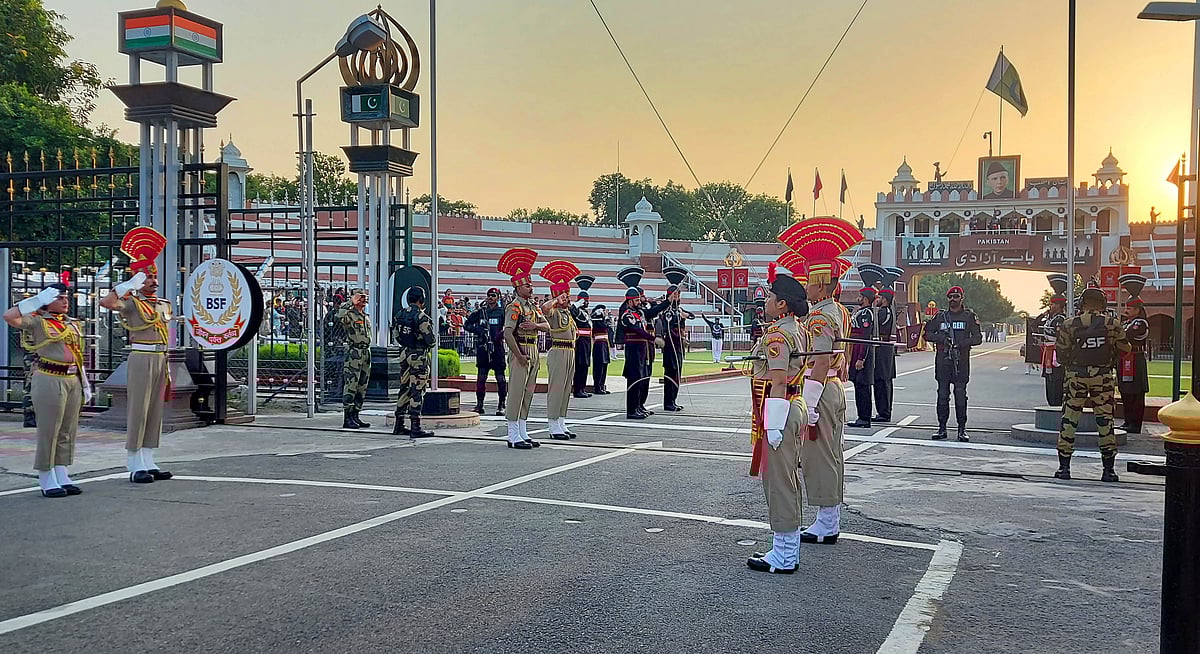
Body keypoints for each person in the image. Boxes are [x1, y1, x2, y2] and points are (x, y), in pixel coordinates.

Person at [778, 217, 861, 545]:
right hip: (831, 386)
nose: (806, 287)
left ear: (822, 284)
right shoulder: (837, 310)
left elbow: (821, 360)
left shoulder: (820, 316)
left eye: (810, 281)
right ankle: (829, 518)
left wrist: (809, 403)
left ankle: (827, 522)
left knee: (820, 455)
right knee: (830, 452)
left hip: (820, 387)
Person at [745, 262, 811, 574]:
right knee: (787, 480)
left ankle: (784, 555)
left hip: (780, 407)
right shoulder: (799, 330)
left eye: (771, 297)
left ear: (782, 304)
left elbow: (779, 379)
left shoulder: (777, 337)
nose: (767, 301)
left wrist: (771, 424)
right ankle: (788, 549)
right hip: (791, 404)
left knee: (779, 483)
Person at [100, 226, 174, 484]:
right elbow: (107, 303)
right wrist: (128, 286)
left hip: (161, 358)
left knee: (154, 410)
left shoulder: (163, 303)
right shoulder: (131, 302)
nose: (153, 281)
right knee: (138, 410)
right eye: (147, 277)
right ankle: (134, 463)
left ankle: (149, 459)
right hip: (141, 357)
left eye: (154, 277)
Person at [5, 279, 87, 497]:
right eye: (59, 298)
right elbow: (9, 317)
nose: (64, 301)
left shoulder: (72, 323)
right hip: (50, 376)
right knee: (49, 429)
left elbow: (77, 353)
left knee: (67, 430)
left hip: (72, 377)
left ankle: (62, 472)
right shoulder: (38, 321)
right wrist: (35, 301)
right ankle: (45, 476)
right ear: (47, 301)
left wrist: (84, 382)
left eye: (66, 297)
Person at [1054, 288, 1130, 482]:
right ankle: (1108, 470)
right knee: (1105, 421)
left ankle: (1064, 468)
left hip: (1076, 376)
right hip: (1103, 377)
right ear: (1103, 304)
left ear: (1082, 303)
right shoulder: (1113, 324)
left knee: (1070, 419)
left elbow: (1061, 352)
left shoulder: (1069, 324)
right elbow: (1125, 348)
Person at [499, 248, 550, 449]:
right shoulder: (515, 307)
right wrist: (519, 355)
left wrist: (535, 326)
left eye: (531, 284)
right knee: (517, 392)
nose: (531, 288)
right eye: (528, 285)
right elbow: (507, 333)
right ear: (518, 287)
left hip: (533, 350)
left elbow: (547, 326)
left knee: (528, 392)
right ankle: (512, 434)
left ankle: (522, 430)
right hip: (521, 350)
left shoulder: (532, 306)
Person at [923, 286, 983, 442]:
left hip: (961, 360)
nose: (953, 299)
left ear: (961, 298)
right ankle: (942, 428)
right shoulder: (941, 316)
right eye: (950, 297)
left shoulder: (969, 317)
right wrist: (942, 339)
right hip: (943, 360)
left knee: (960, 395)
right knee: (942, 395)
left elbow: (978, 338)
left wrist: (961, 343)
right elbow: (927, 334)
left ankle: (961, 429)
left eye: (956, 297)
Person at [541, 260, 581, 439]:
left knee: (566, 389)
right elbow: (544, 308)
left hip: (570, 352)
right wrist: (556, 300)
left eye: (568, 296)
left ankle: (561, 422)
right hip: (558, 351)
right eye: (565, 296)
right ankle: (552, 425)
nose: (567, 299)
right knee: (556, 389)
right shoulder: (555, 311)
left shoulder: (568, 313)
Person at [617, 267, 662, 419]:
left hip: (641, 349)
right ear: (629, 301)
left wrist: (667, 301)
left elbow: (652, 312)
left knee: (641, 378)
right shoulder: (627, 315)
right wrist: (653, 339)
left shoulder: (639, 313)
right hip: (634, 349)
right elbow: (637, 330)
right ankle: (631, 410)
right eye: (636, 300)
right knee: (634, 379)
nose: (639, 302)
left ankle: (637, 406)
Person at [391, 286, 436, 438]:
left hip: (404, 353)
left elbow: (396, 335)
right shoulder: (422, 317)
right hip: (418, 356)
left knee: (404, 388)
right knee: (417, 390)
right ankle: (415, 426)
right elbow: (431, 340)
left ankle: (399, 424)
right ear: (421, 300)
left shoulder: (400, 314)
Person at [333, 290, 373, 429]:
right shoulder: (349, 314)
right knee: (351, 385)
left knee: (362, 386)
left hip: (365, 352)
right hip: (354, 352)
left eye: (364, 297)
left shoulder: (365, 315)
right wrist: (351, 302)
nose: (363, 299)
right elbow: (338, 315)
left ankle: (356, 414)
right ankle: (347, 417)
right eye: (360, 297)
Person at [464, 287, 507, 416]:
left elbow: (510, 326)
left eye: (493, 295)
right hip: (483, 347)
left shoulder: (502, 312)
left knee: (500, 378)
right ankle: (479, 404)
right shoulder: (481, 312)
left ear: (498, 297)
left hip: (497, 347)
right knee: (481, 378)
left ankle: (501, 404)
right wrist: (479, 331)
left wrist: (502, 334)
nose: (490, 298)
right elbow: (467, 325)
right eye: (489, 295)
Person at [656, 270, 693, 412]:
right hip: (671, 346)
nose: (678, 297)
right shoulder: (667, 311)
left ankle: (673, 400)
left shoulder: (679, 309)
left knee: (677, 374)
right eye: (676, 295)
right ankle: (668, 402)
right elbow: (667, 326)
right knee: (670, 374)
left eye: (679, 295)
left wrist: (684, 315)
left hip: (678, 346)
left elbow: (692, 316)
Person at [1117, 274, 1150, 435]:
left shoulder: (1140, 323)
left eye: (1129, 308)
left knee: (1136, 393)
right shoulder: (1127, 322)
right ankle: (1128, 421)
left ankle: (1135, 424)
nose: (1126, 310)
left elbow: (1124, 335)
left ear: (1138, 309)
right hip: (1125, 359)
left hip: (1135, 360)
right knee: (1125, 391)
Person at [846, 282, 877, 428]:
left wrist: (861, 358)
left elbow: (865, 336)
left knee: (863, 386)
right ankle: (862, 416)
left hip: (861, 349)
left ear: (865, 298)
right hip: (856, 346)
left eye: (860, 296)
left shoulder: (866, 314)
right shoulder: (861, 311)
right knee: (858, 385)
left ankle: (864, 418)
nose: (858, 298)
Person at [872, 268, 902, 423]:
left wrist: (872, 309)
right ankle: (884, 411)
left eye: (879, 297)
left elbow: (874, 325)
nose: (877, 299)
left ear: (884, 299)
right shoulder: (889, 310)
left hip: (882, 350)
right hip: (887, 349)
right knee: (885, 381)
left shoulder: (884, 312)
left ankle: (883, 412)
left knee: (882, 381)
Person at [1039, 292, 1069, 406]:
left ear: (1058, 305)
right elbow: (1035, 325)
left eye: (1052, 304)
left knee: (1056, 383)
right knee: (1049, 382)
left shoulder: (1060, 319)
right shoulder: (1050, 318)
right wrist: (1043, 314)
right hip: (1048, 352)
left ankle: (1056, 406)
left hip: (1056, 354)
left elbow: (1060, 338)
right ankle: (1052, 404)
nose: (1050, 307)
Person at [570, 277, 594, 399]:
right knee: (580, 365)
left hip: (587, 341)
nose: (587, 303)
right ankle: (578, 389)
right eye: (586, 301)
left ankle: (582, 388)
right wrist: (576, 304)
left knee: (585, 365)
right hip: (580, 341)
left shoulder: (585, 312)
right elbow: (571, 312)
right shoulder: (577, 310)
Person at [591, 305, 612, 394]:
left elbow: (608, 326)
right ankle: (597, 387)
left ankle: (602, 385)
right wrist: (599, 315)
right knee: (599, 366)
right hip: (599, 344)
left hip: (604, 344)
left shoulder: (602, 320)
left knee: (604, 365)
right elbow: (601, 325)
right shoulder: (596, 320)